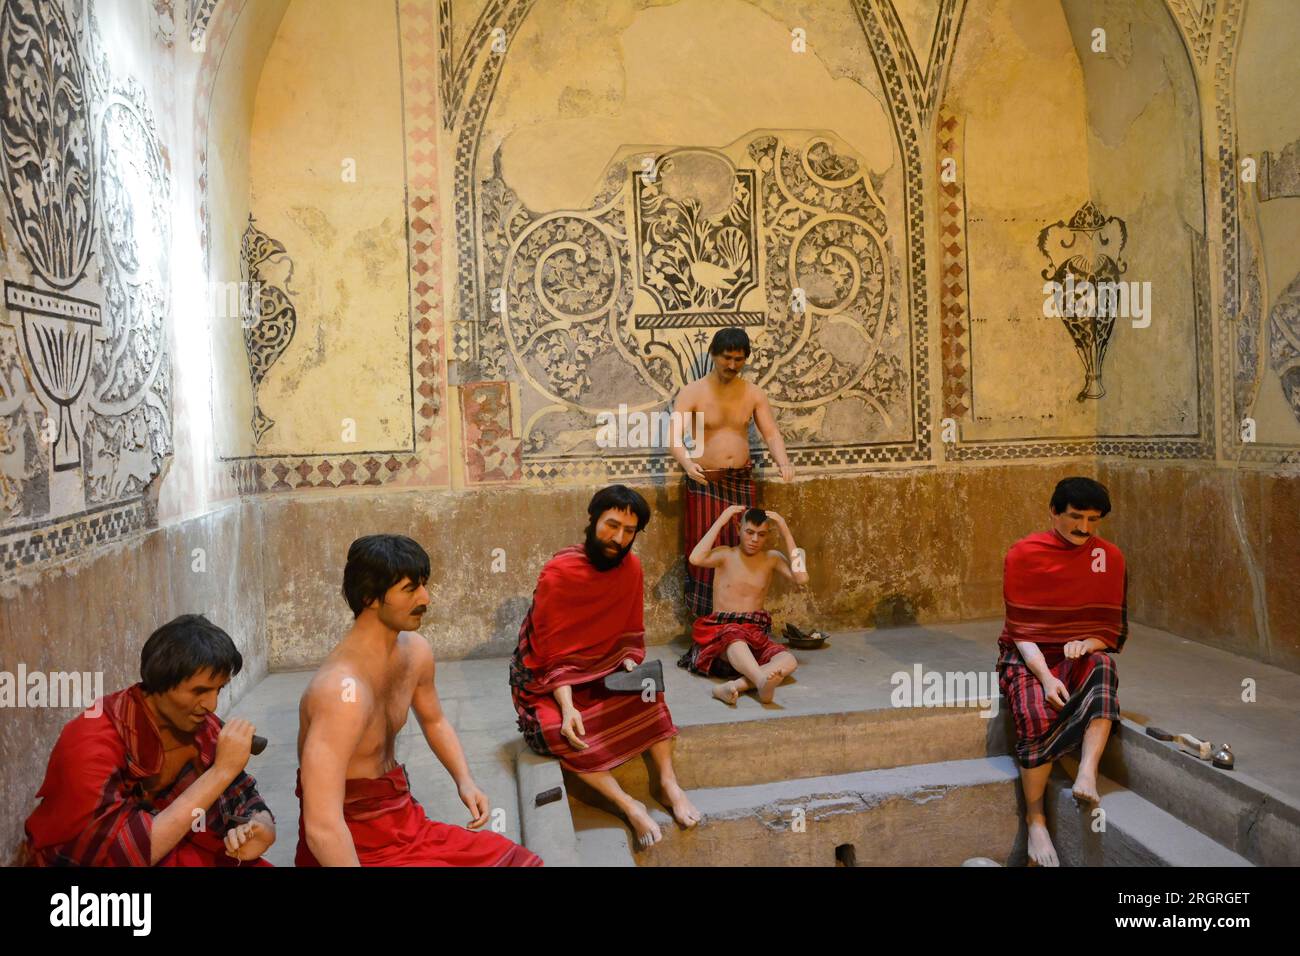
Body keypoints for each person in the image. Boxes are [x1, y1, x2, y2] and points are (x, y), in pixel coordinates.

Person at [296, 534, 540, 866]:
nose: (425, 598)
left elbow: (434, 720)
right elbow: (322, 828)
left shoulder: (415, 652)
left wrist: (464, 780)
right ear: (370, 597)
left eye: (424, 585)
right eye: (410, 589)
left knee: (519, 862)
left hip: (403, 825)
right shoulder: (341, 693)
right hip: (353, 847)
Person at [510, 485, 700, 847]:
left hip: (602, 670)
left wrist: (627, 661)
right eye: (611, 525)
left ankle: (668, 783)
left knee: (648, 693)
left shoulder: (631, 568)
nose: (618, 538)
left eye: (629, 532)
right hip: (547, 677)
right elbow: (551, 650)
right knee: (556, 729)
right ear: (592, 520)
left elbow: (629, 630)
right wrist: (567, 708)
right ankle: (628, 805)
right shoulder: (559, 572)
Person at [22, 614, 276, 866]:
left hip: (181, 850)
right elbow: (122, 856)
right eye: (199, 691)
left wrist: (261, 828)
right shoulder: (91, 745)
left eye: (218, 689)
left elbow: (243, 795)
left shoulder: (198, 726)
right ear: (161, 681)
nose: (212, 705)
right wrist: (221, 771)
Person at [996, 477, 1126, 867]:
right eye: (1074, 517)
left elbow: (1111, 630)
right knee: (1037, 709)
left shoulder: (1111, 557)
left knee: (1103, 669)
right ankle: (1036, 818)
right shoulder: (1023, 553)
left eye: (1093, 520)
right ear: (1053, 512)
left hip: (1079, 650)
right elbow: (1021, 630)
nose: (1084, 528)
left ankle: (1087, 771)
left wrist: (1088, 644)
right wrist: (1047, 676)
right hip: (1028, 653)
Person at [670, 328, 796, 617]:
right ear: (714, 355)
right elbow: (674, 439)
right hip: (705, 480)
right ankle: (706, 620)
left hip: (740, 479)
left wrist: (783, 461)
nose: (732, 365)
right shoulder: (692, 392)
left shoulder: (752, 393)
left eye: (739, 359)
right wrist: (688, 465)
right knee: (707, 546)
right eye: (727, 358)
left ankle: (741, 615)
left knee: (745, 546)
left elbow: (772, 433)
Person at [680, 505, 806, 704]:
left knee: (789, 661)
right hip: (723, 636)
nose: (755, 540)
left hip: (754, 634)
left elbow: (801, 577)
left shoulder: (772, 558)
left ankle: (734, 686)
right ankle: (760, 681)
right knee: (735, 638)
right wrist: (722, 519)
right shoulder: (725, 555)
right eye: (749, 532)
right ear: (739, 527)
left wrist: (785, 528)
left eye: (761, 534)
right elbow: (695, 558)